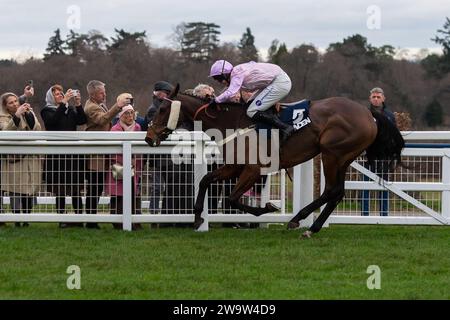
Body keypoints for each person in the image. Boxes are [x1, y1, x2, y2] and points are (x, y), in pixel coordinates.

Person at [208, 60, 294, 142]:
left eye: (218, 79)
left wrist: (216, 100)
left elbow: (231, 92)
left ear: (224, 74)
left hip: (279, 83)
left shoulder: (236, 73)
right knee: (249, 104)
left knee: (251, 111)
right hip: (273, 82)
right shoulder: (237, 71)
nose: (219, 82)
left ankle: (285, 128)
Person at [84, 80, 129, 229]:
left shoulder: (98, 105)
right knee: (94, 187)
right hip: (95, 153)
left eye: (104, 91)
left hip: (102, 152)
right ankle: (91, 221)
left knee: (97, 187)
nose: (105, 94)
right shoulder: (91, 107)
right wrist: (118, 106)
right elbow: (102, 119)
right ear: (93, 94)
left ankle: (92, 219)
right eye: (102, 92)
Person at [41, 84, 87, 228]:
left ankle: (79, 219)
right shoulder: (46, 110)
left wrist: (78, 104)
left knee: (75, 189)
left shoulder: (70, 109)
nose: (60, 95)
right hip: (57, 156)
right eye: (57, 93)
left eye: (62, 93)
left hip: (73, 155)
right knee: (59, 189)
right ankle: (62, 219)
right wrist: (63, 104)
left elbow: (82, 120)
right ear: (50, 96)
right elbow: (52, 122)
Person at [0, 92, 42, 227]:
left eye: (16, 101)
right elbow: (5, 131)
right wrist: (16, 116)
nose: (15, 104)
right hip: (15, 159)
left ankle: (27, 218)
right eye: (11, 102)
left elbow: (37, 129)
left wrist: (29, 115)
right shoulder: (2, 117)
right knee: (16, 189)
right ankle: (17, 218)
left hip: (30, 157)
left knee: (29, 189)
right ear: (5, 106)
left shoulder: (28, 112)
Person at [105, 102, 142, 230]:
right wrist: (125, 160)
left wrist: (134, 161)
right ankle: (117, 222)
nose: (129, 115)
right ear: (121, 115)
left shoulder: (137, 127)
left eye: (131, 113)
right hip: (119, 166)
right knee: (118, 195)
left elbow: (140, 147)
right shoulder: (115, 129)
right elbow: (113, 150)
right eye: (126, 113)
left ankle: (135, 222)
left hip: (134, 166)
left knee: (134, 193)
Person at [361, 87, 396, 216]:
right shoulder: (364, 113)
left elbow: (393, 135)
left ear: (383, 98)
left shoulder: (390, 115)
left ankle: (384, 215)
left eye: (378, 97)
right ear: (370, 98)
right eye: (374, 97)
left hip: (384, 157)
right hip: (367, 156)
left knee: (384, 186)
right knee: (365, 187)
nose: (376, 99)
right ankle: (364, 214)